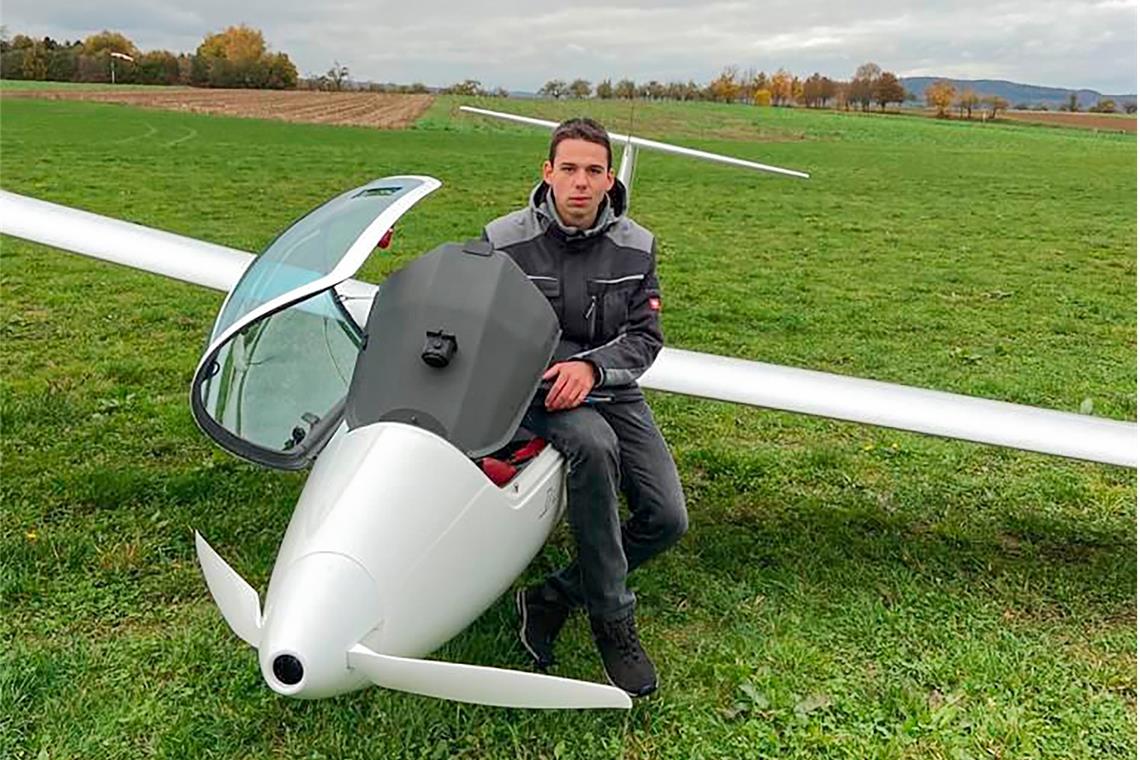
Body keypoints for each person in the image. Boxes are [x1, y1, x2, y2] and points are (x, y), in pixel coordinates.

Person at [482, 117, 687, 698]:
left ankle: (553, 595)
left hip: (610, 384)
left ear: (608, 181)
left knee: (668, 519)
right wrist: (547, 374)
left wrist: (592, 368)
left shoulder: (637, 245)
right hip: (530, 389)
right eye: (568, 169)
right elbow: (484, 329)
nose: (580, 183)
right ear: (547, 173)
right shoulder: (502, 240)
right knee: (593, 446)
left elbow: (645, 338)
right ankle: (613, 621)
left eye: (593, 171)